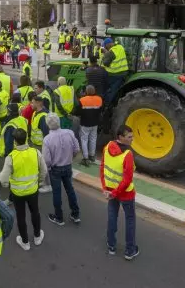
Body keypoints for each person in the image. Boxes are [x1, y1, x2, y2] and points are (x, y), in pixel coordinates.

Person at [0, 127, 46, 251]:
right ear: (26, 138)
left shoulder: (11, 157)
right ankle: (37, 236)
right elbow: (44, 171)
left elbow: (3, 178)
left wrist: (7, 185)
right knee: (35, 212)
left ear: (15, 141)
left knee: (21, 216)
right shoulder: (36, 152)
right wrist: (40, 182)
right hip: (33, 190)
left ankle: (25, 242)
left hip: (17, 193)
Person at [101, 125, 139, 260]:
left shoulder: (107, 147)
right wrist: (115, 192)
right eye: (129, 137)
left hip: (111, 192)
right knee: (130, 220)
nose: (132, 139)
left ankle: (111, 245)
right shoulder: (127, 154)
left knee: (112, 217)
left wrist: (106, 188)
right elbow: (127, 179)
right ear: (121, 137)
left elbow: (103, 168)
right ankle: (130, 250)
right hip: (125, 194)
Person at [42, 113, 80, 226]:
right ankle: (75, 214)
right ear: (59, 121)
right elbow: (76, 149)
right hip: (68, 166)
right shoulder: (69, 133)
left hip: (55, 169)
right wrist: (70, 158)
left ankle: (59, 217)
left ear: (48, 125)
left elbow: (47, 160)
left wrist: (49, 167)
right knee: (70, 190)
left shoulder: (47, 139)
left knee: (57, 193)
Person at [76, 85, 103, 166]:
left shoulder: (82, 100)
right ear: (94, 91)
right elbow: (100, 110)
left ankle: (85, 158)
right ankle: (92, 156)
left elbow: (77, 112)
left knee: (84, 140)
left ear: (86, 92)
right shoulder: (99, 99)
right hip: (95, 123)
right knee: (93, 139)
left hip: (85, 123)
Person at [101, 38, 128, 104]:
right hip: (123, 72)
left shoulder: (112, 51)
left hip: (114, 74)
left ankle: (107, 103)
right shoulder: (120, 47)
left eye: (105, 46)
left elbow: (105, 63)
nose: (105, 47)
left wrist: (105, 53)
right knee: (115, 89)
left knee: (106, 88)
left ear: (107, 45)